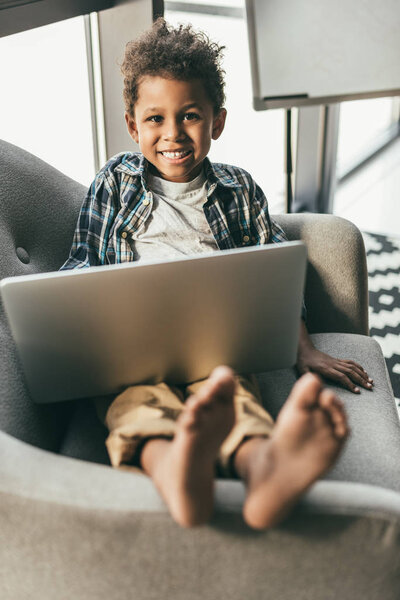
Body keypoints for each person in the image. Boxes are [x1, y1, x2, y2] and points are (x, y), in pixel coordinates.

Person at [61, 19, 373, 529]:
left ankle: (264, 467)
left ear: (217, 121)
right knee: (137, 409)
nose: (172, 134)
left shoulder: (239, 190)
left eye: (189, 116)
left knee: (235, 400)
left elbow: (275, 279)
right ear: (133, 126)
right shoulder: (112, 185)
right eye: (155, 119)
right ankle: (177, 471)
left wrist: (305, 350)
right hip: (132, 355)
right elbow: (81, 268)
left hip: (215, 351)